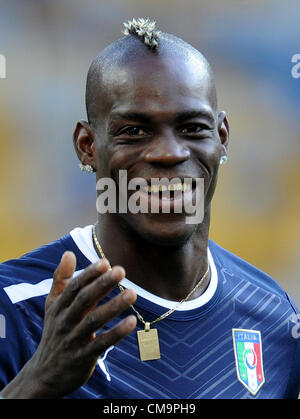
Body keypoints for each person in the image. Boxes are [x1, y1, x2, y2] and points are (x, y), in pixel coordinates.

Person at [0, 18, 299, 399]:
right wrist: (37, 383)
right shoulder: (15, 308)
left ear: (221, 138)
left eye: (192, 128)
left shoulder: (274, 317)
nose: (169, 153)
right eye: (135, 131)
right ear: (87, 146)